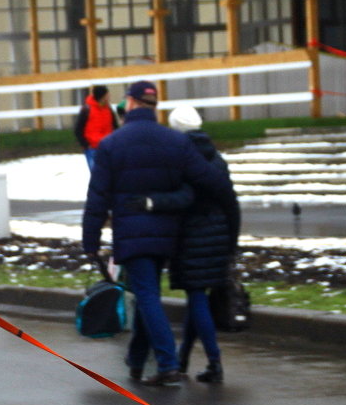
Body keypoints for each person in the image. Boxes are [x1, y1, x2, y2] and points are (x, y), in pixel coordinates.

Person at [81, 80, 238, 387]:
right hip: (168, 234)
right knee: (146, 292)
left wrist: (90, 240)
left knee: (147, 295)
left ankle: (167, 362)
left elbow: (97, 196)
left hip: (131, 232)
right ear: (154, 105)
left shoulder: (113, 144)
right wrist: (229, 214)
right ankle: (137, 361)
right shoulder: (174, 142)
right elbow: (210, 181)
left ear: (130, 102)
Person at [139, 104, 240, 384]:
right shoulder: (218, 159)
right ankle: (184, 358)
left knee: (196, 298)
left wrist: (153, 205)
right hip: (218, 235)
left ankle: (214, 361)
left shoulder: (180, 159)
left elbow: (180, 200)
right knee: (199, 299)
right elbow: (231, 203)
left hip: (191, 236)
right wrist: (232, 240)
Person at [73, 84, 118, 171]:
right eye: (107, 95)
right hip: (92, 149)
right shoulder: (87, 110)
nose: (109, 98)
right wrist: (86, 145)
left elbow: (115, 127)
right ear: (102, 97)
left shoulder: (109, 109)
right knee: (97, 176)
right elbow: (78, 129)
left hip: (108, 148)